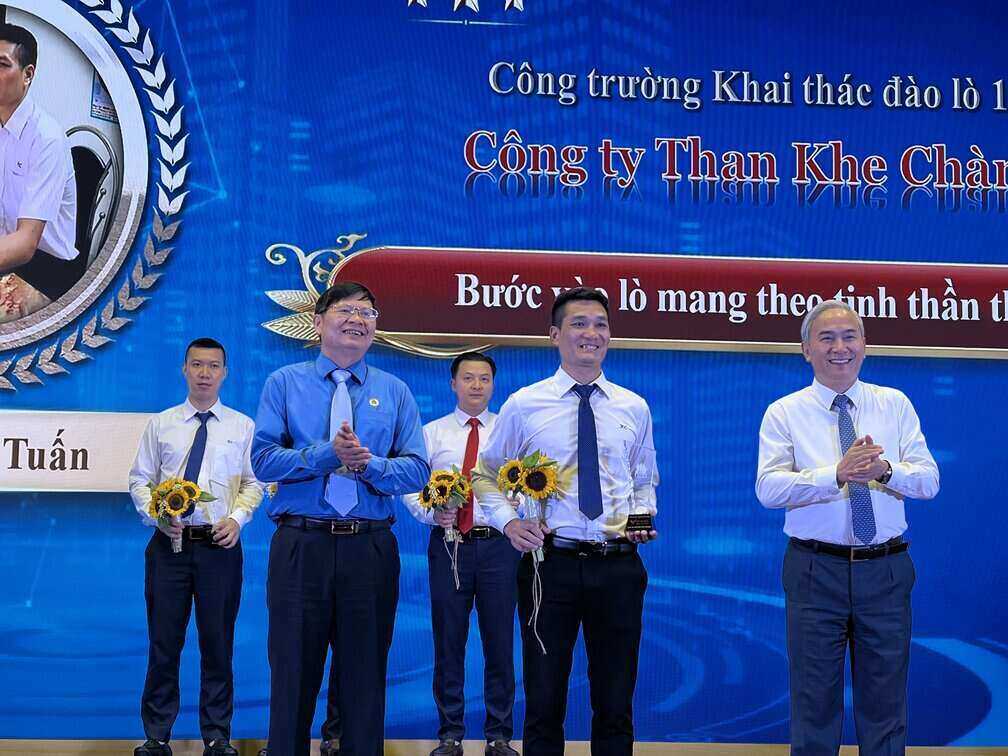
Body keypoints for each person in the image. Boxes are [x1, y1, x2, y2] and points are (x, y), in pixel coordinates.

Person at [473, 287, 659, 756]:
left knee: (616, 701)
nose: (590, 334)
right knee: (544, 698)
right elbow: (485, 474)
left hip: (619, 565)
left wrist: (642, 517)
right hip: (547, 568)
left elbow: (643, 479)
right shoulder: (524, 404)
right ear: (555, 335)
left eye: (600, 324)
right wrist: (509, 524)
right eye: (578, 324)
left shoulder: (633, 406)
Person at [252, 281, 430, 756]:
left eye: (368, 312)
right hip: (300, 547)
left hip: (368, 548)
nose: (357, 319)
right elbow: (264, 461)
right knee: (292, 674)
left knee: (364, 678)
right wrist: (325, 456)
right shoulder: (284, 383)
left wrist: (368, 465)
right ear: (318, 321)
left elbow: (417, 469)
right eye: (346, 310)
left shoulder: (395, 391)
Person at [755, 299, 939, 756]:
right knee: (813, 706)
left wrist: (884, 471)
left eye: (849, 336)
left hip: (886, 569)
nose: (840, 347)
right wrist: (836, 474)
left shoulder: (894, 404)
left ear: (864, 345)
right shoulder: (784, 412)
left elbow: (929, 480)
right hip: (816, 571)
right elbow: (768, 489)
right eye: (827, 337)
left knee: (886, 706)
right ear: (806, 350)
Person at [128, 338, 264, 756]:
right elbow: (139, 479)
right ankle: (156, 736)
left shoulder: (242, 427)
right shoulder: (161, 424)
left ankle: (217, 736)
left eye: (213, 366)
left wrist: (237, 520)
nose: (205, 373)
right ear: (184, 369)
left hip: (219, 548)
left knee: (218, 642)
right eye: (197, 365)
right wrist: (158, 517)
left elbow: (255, 483)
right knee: (164, 642)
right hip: (168, 548)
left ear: (225, 373)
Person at [403, 351, 521, 756]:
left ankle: (499, 735)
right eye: (468, 378)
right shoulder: (432, 433)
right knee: (448, 642)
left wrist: (515, 516)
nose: (476, 385)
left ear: (493, 384)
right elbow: (410, 486)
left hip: (500, 547)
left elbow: (526, 488)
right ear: (453, 384)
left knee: (500, 643)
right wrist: (431, 511)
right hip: (450, 545)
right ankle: (450, 734)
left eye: (484, 378)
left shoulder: (510, 433)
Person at [0, 23, 82, 303]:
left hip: (46, 271)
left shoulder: (47, 137)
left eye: (2, 64)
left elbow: (25, 245)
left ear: (28, 74)